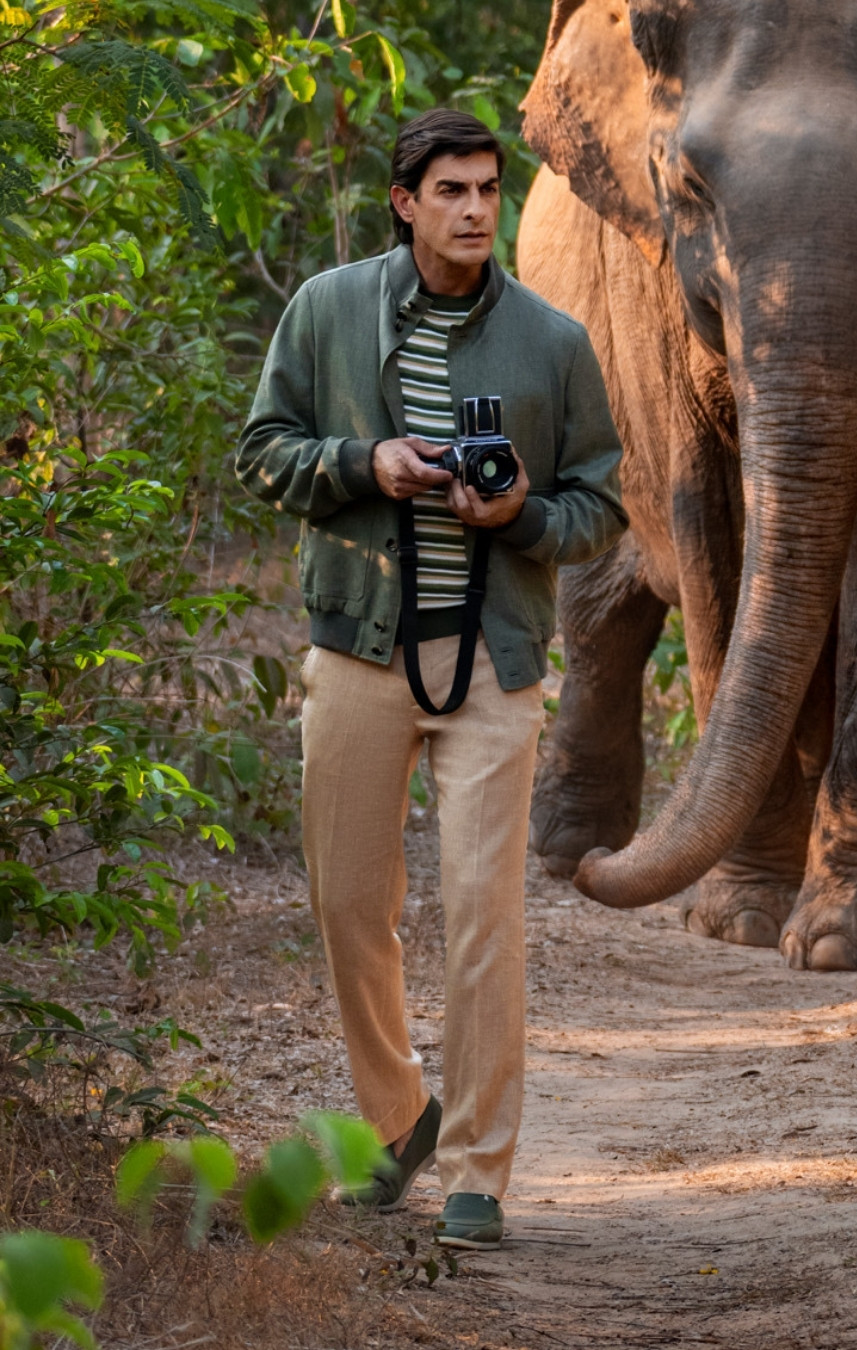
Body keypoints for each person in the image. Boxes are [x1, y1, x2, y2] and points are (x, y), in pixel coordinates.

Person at [235, 108, 627, 1250]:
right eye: (451, 190)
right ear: (405, 202)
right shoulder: (328, 309)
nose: (474, 210)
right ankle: (400, 1119)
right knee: (349, 904)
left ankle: (478, 1172)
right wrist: (367, 463)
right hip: (357, 650)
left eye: (488, 190)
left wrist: (522, 517)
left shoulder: (552, 341)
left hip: (494, 663)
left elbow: (602, 504)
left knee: (483, 914)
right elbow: (263, 451)